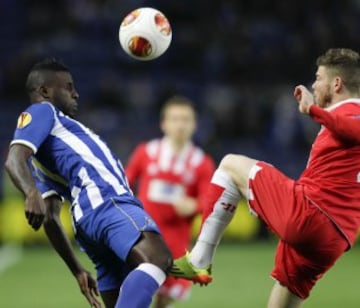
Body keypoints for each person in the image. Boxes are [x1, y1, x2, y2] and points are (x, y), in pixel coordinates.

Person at [170, 48, 360, 307]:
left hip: (312, 214)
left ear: (336, 83)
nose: (313, 84)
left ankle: (199, 260)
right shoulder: (343, 117)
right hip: (334, 238)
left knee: (229, 165)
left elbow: (354, 130)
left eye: (318, 78)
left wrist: (315, 111)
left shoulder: (352, 112)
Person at [5, 58, 173, 308]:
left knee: (123, 297)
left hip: (88, 222)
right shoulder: (44, 111)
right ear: (45, 91)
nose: (76, 93)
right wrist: (30, 193)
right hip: (106, 202)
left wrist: (77, 270)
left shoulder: (43, 162)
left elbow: (51, 218)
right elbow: (13, 158)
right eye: (68, 87)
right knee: (158, 258)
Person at [125, 96, 215, 307]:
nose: (180, 125)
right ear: (163, 123)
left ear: (194, 124)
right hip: (141, 238)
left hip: (175, 244)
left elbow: (210, 201)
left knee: (163, 299)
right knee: (132, 292)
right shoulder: (146, 152)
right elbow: (125, 182)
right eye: (175, 119)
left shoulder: (201, 162)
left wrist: (194, 205)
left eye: (186, 119)